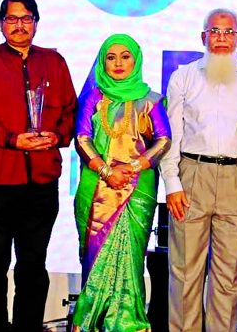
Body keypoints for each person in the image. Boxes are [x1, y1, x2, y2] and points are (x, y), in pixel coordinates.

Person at [0, 0, 77, 331]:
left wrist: (56, 137)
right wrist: (12, 139)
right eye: (12, 19)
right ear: (1, 24)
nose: (19, 26)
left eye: (26, 19)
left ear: (36, 23)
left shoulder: (53, 63)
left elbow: (71, 111)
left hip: (40, 181)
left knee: (32, 264)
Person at [160, 8, 237, 331]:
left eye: (228, 32)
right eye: (215, 32)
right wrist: (172, 184)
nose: (221, 38)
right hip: (193, 174)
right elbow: (172, 136)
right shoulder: (184, 76)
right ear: (203, 36)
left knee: (228, 274)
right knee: (185, 270)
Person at [71, 34, 171, 331]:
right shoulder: (93, 96)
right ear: (102, 61)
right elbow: (82, 138)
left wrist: (134, 166)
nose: (118, 63)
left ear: (136, 60)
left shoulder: (150, 99)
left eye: (125, 56)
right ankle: (91, 321)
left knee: (131, 260)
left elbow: (163, 140)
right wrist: (106, 171)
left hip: (137, 188)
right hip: (96, 185)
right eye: (111, 57)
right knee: (95, 256)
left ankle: (128, 323)